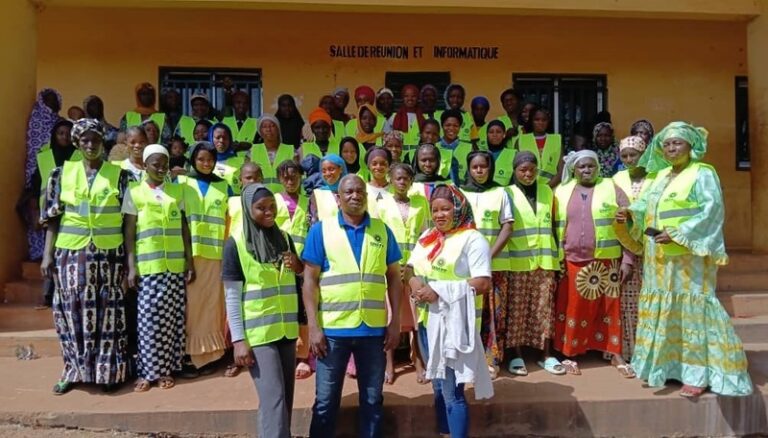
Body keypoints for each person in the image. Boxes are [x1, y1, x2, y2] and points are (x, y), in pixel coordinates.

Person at [617, 122, 753, 398]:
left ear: (691, 146)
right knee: (668, 313)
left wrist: (679, 233)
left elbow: (711, 210)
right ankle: (669, 367)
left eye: (677, 143)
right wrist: (630, 212)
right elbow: (647, 206)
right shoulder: (661, 175)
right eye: (666, 144)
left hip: (688, 258)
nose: (670, 148)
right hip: (659, 259)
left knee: (691, 313)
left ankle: (698, 374)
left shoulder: (702, 173)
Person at [302, 174, 402, 438]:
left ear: (366, 197)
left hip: (373, 331)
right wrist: (313, 327)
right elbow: (309, 281)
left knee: (372, 400)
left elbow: (394, 277)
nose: (355, 196)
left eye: (360, 192)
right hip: (333, 333)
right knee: (325, 402)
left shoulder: (382, 230)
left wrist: (395, 322)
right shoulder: (320, 230)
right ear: (338, 198)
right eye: (348, 192)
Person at [39, 119, 130, 395]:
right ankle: (73, 370)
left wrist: (128, 257)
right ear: (77, 144)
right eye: (85, 140)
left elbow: (128, 222)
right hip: (71, 252)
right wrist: (47, 256)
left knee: (109, 313)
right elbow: (52, 218)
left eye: (96, 140)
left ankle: (108, 372)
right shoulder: (60, 174)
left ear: (104, 143)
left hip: (109, 253)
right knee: (71, 311)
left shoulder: (120, 176)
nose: (91, 145)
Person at [406, 184, 494, 437]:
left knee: (452, 390)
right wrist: (415, 284)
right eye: (435, 210)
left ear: (459, 209)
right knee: (437, 384)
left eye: (446, 209)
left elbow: (483, 282)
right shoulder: (428, 237)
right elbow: (410, 268)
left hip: (454, 324)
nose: (440, 215)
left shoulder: (473, 239)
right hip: (426, 321)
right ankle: (444, 432)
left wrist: (439, 291)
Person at [222, 184, 303, 437]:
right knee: (273, 398)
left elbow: (295, 279)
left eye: (272, 207)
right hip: (258, 335)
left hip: (286, 331)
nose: (268, 212)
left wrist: (298, 266)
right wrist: (238, 340)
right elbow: (232, 297)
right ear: (248, 209)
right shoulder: (235, 244)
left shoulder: (285, 238)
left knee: (285, 399)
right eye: (261, 208)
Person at [552, 150, 634, 377]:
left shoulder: (611, 187)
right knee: (572, 308)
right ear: (573, 170)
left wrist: (628, 258)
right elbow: (550, 226)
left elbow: (629, 224)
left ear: (598, 168)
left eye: (591, 166)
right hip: (571, 260)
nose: (586, 170)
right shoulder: (561, 191)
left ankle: (614, 353)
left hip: (607, 259)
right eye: (581, 167)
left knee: (609, 307)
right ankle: (570, 353)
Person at [124, 144, 194, 391]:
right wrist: (131, 267)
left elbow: (184, 228)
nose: (161, 168)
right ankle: (147, 372)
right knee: (148, 321)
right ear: (144, 165)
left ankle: (166, 370)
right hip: (149, 266)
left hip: (174, 266)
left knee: (172, 321)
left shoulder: (177, 192)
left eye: (164, 163)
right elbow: (130, 232)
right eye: (155, 164)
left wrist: (189, 260)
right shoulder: (134, 192)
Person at [504, 151, 564, 376]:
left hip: (546, 259)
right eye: (523, 170)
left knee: (544, 309)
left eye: (532, 169)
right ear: (515, 170)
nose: (528, 174)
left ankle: (546, 355)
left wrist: (558, 256)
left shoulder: (547, 191)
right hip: (518, 261)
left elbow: (554, 224)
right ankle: (516, 355)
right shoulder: (507, 193)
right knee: (517, 310)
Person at [460, 151, 513, 379]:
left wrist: (488, 255)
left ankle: (491, 360)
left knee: (493, 314)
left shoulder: (501, 192)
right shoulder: (460, 193)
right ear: (469, 169)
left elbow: (507, 226)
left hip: (495, 264)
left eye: (484, 167)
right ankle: (468, 360)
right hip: (465, 268)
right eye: (475, 167)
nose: (480, 171)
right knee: (467, 313)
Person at [375, 163, 429, 384]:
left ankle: (418, 362)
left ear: (411, 181)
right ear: (390, 179)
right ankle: (389, 364)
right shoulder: (382, 204)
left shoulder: (421, 203)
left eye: (406, 178)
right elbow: (378, 235)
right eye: (398, 178)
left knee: (417, 318)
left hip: (415, 267)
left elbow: (426, 235)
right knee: (391, 316)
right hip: (391, 267)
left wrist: (416, 263)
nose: (402, 182)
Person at [179, 141, 231, 375]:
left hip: (216, 255)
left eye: (210, 159)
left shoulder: (224, 186)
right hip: (190, 254)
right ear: (193, 160)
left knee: (213, 305)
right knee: (193, 307)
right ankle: (193, 354)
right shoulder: (182, 183)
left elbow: (230, 220)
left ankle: (213, 353)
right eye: (201, 159)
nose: (206, 163)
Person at [274, 160, 312, 380]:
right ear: (279, 179)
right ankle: (284, 352)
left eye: (294, 176)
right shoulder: (274, 200)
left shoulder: (309, 202)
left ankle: (303, 355)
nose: (290, 180)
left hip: (304, 262)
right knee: (283, 307)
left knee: (303, 309)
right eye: (286, 177)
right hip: (279, 263)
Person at [24, 88, 62, 226]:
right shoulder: (36, 119)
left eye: (54, 99)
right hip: (37, 170)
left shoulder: (59, 123)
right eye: (48, 99)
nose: (51, 103)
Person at [517, 107, 563, 186]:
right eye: (537, 120)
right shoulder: (521, 140)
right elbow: (516, 169)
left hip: (552, 187)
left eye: (544, 120)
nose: (540, 122)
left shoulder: (556, 140)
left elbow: (561, 170)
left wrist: (547, 187)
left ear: (548, 122)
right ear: (531, 121)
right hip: (526, 186)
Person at [250, 115, 295, 194]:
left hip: (285, 197)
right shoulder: (253, 150)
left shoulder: (290, 150)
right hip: (260, 197)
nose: (268, 129)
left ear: (278, 129)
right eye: (264, 127)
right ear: (260, 131)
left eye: (272, 126)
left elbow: (296, 176)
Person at [437, 109, 473, 184]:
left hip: (462, 190)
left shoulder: (469, 149)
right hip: (438, 190)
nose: (451, 128)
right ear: (442, 126)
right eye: (448, 125)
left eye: (455, 126)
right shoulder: (434, 147)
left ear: (460, 127)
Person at [210, 123, 247, 194]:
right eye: (218, 137)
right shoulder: (205, 162)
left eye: (225, 138)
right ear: (211, 138)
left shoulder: (242, 161)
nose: (221, 140)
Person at [309, 154, 347, 223]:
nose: (328, 173)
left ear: (341, 169)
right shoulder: (317, 194)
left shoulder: (350, 191)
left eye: (331, 169)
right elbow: (313, 220)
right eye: (324, 171)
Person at [392, 84, 425, 157]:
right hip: (401, 154)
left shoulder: (421, 116)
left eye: (413, 96)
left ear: (417, 98)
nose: (410, 99)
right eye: (406, 96)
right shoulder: (398, 116)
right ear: (403, 98)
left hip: (418, 154)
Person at [486, 120, 516, 186]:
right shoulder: (480, 155)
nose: (495, 135)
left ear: (504, 135)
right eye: (491, 132)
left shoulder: (513, 154)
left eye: (498, 132)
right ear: (487, 135)